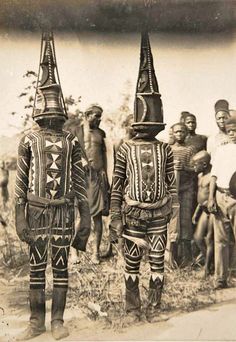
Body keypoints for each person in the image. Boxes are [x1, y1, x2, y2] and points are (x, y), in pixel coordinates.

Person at [15, 32, 91, 341]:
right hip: (36, 212)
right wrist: (20, 215)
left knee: (60, 267)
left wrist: (84, 218)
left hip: (62, 213)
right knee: (36, 269)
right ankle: (36, 323)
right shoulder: (29, 139)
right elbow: (20, 182)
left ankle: (58, 320)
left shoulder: (71, 139)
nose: (52, 109)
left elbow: (80, 181)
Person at [110, 32, 178, 324]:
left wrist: (172, 212)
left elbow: (172, 184)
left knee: (158, 262)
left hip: (160, 213)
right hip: (134, 213)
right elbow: (117, 185)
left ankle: (156, 306)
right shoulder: (125, 148)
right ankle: (133, 308)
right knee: (133, 261)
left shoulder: (166, 149)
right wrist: (115, 215)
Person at [208, 114, 236, 289]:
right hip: (220, 195)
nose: (232, 133)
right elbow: (214, 175)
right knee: (221, 240)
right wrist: (211, 197)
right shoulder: (221, 150)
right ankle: (220, 278)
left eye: (235, 130)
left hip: (235, 198)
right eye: (229, 131)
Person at [83, 104, 110, 264]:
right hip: (82, 178)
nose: (99, 119)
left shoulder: (101, 134)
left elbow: (106, 156)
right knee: (80, 216)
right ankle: (75, 253)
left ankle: (95, 253)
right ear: (87, 115)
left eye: (100, 116)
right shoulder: (77, 132)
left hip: (98, 179)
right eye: (96, 116)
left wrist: (105, 173)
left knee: (97, 216)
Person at [171, 123, 195, 266]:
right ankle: (173, 256)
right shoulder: (168, 149)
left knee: (185, 222)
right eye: (177, 132)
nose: (179, 134)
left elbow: (196, 168)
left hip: (186, 189)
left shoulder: (190, 150)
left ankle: (187, 258)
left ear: (186, 133)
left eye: (182, 131)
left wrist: (185, 167)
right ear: (173, 133)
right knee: (173, 223)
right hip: (173, 190)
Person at [192, 151, 214, 276]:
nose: (194, 167)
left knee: (209, 239)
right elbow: (200, 199)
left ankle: (207, 268)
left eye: (196, 164)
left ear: (204, 164)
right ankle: (209, 262)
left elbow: (211, 196)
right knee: (198, 237)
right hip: (203, 211)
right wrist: (196, 213)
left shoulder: (212, 177)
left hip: (211, 212)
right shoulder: (200, 176)